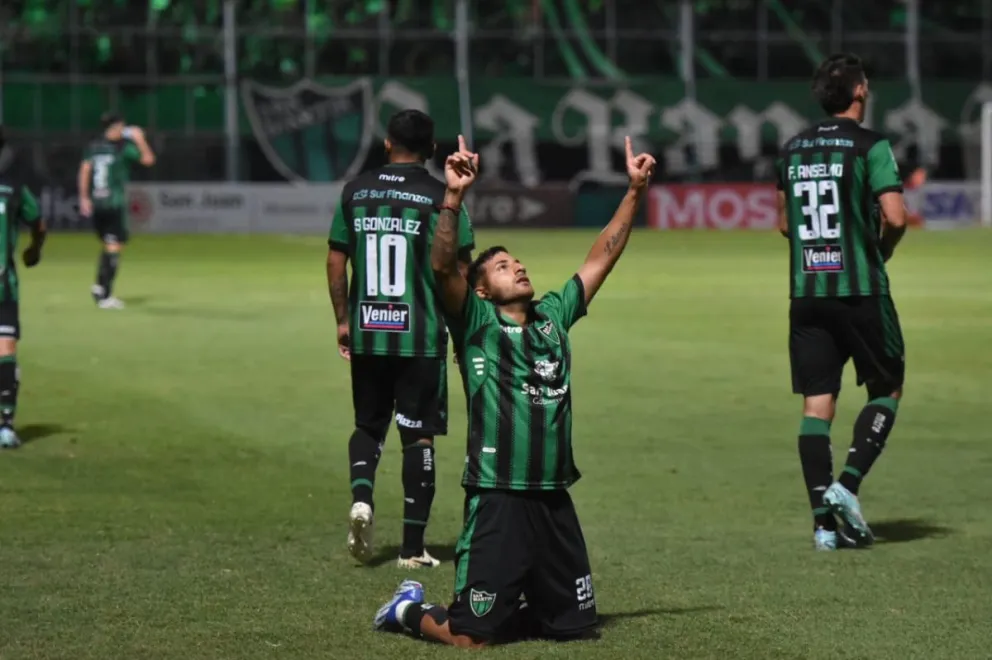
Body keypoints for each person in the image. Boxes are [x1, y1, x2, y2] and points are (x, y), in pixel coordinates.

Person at [372, 135, 656, 647]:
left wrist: (634, 190)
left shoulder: (554, 316)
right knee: (470, 637)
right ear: (481, 289)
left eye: (518, 262)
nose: (518, 267)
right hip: (499, 495)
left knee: (575, 630)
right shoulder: (475, 321)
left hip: (553, 497)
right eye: (503, 266)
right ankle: (407, 609)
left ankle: (517, 597)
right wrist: (454, 196)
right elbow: (440, 268)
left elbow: (600, 259)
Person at [327, 110, 475, 569]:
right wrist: (462, 332)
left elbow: (337, 262)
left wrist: (342, 319)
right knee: (419, 438)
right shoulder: (438, 197)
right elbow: (457, 270)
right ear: (433, 150)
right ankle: (412, 548)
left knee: (369, 425)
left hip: (369, 330)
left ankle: (362, 499)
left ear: (387, 143)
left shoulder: (356, 191)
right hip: (420, 337)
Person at [776, 53, 908, 551]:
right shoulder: (870, 146)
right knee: (887, 386)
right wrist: (879, 252)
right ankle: (846, 487)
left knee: (817, 404)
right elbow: (894, 217)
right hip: (861, 290)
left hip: (807, 292)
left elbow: (787, 224)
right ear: (858, 93)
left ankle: (823, 527)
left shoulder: (791, 149)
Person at [0, 127, 48, 448]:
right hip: (4, 284)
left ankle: (5, 425)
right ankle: (5, 425)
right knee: (5, 349)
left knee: (5, 348)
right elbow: (39, 223)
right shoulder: (14, 188)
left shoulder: (14, 189)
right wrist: (35, 250)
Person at [78, 112, 155, 310]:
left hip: (97, 203)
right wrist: (140, 140)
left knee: (108, 245)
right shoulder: (123, 148)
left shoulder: (94, 147)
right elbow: (148, 160)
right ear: (118, 126)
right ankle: (105, 295)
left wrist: (84, 197)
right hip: (114, 203)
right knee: (114, 247)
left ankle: (99, 286)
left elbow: (84, 171)